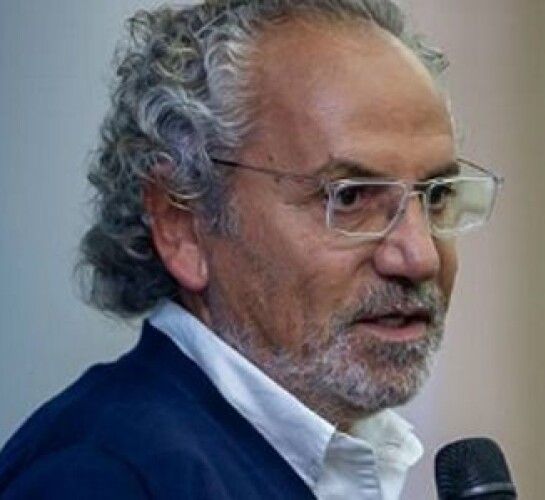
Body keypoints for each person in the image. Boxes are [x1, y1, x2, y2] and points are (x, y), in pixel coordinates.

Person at [0, 1, 501, 498]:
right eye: (349, 198)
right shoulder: (99, 478)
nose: (420, 256)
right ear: (182, 224)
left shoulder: (331, 459)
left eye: (438, 195)